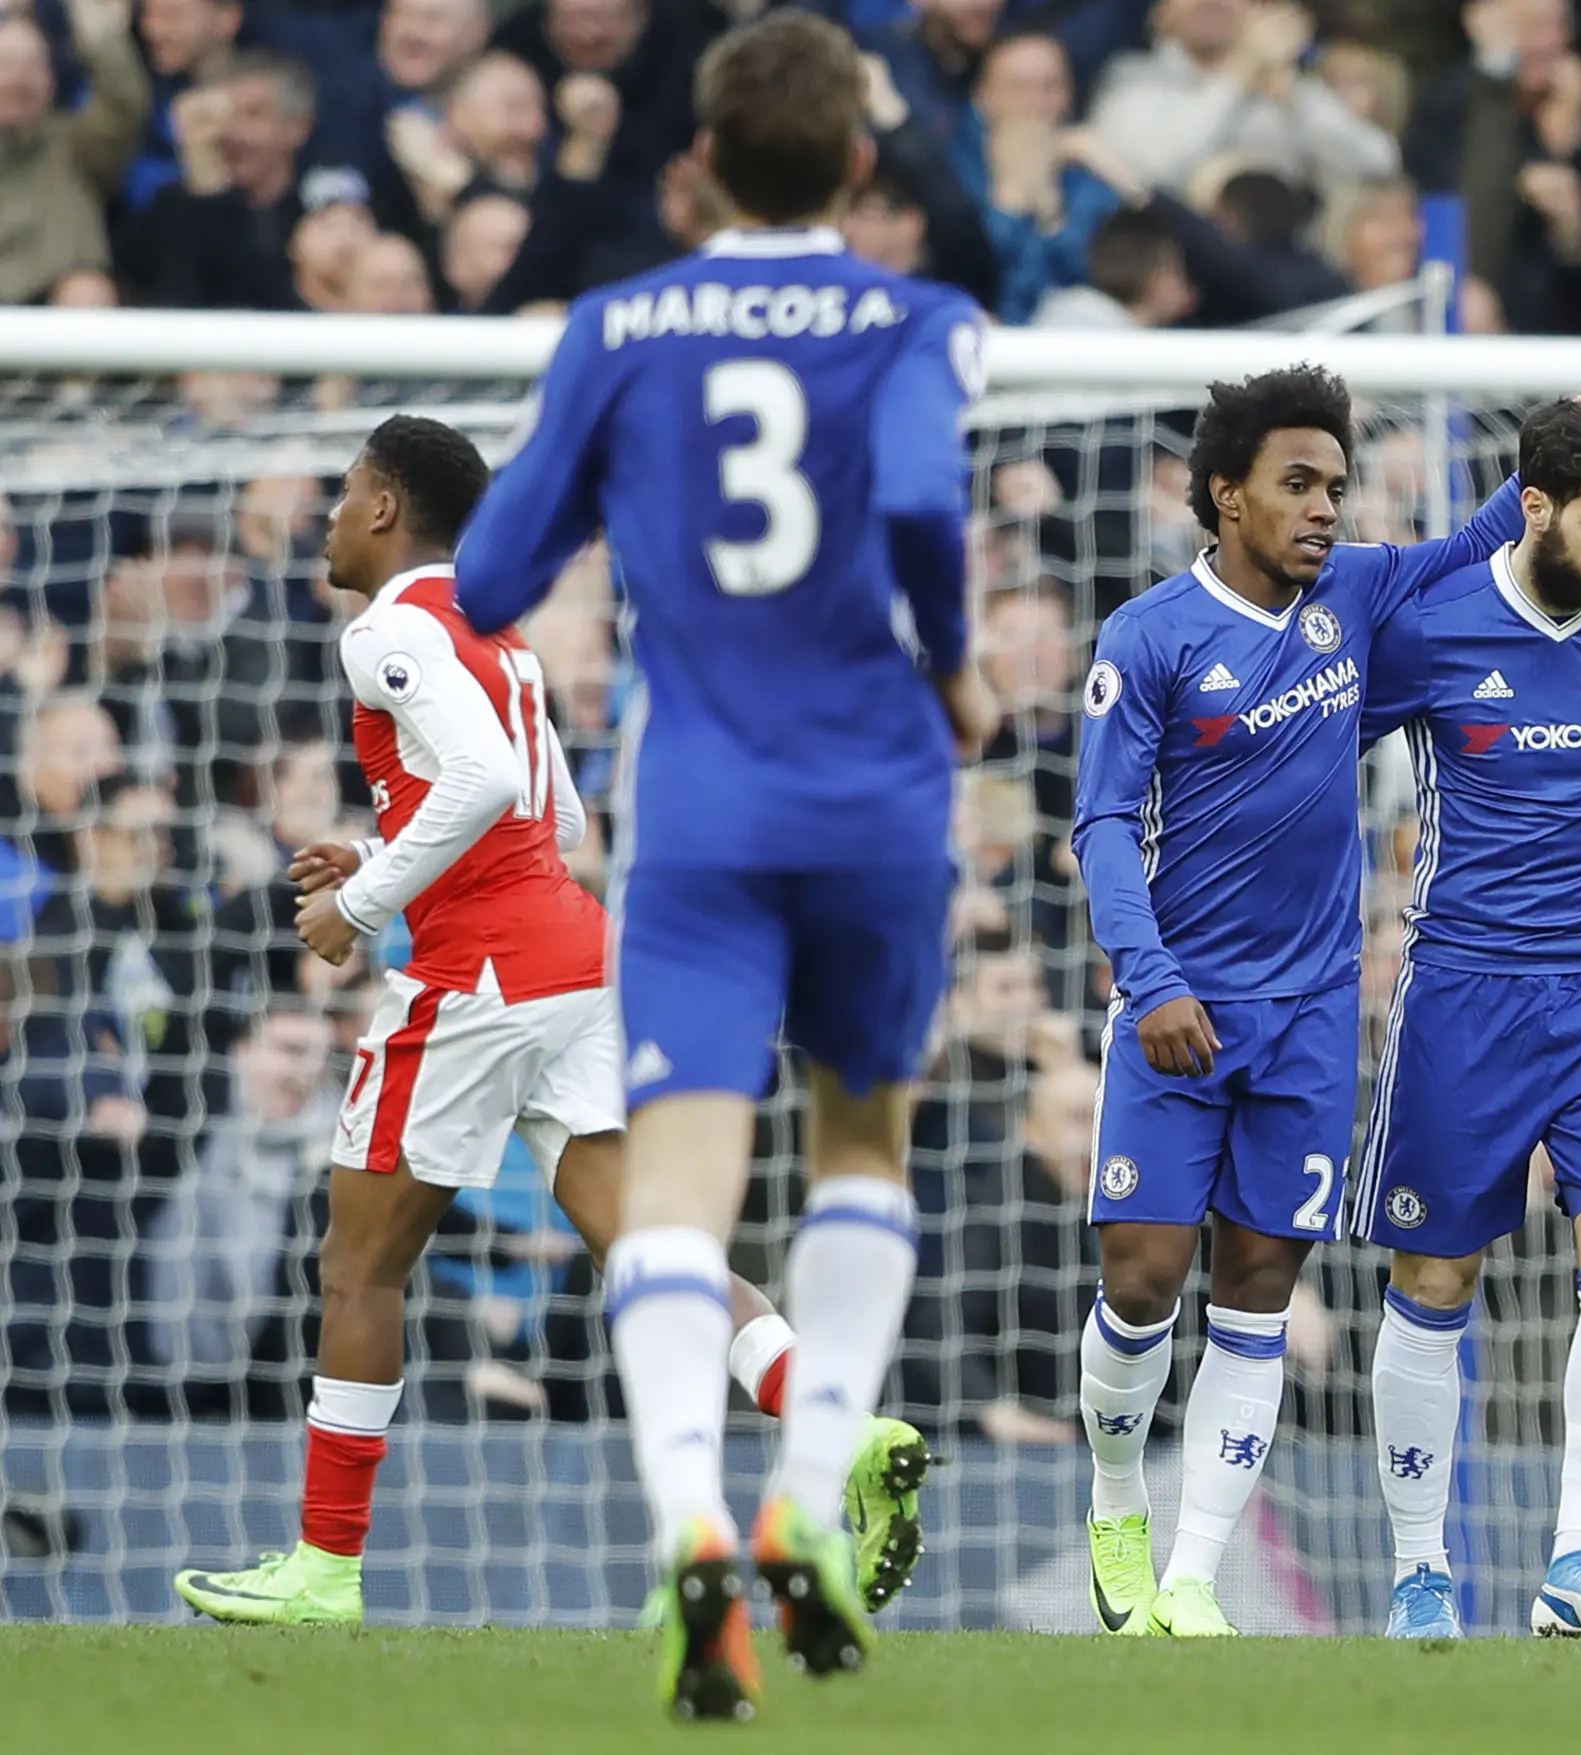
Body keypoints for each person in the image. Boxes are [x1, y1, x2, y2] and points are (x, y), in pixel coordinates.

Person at [451, 13, 987, 1719]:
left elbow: (488, 574)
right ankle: (804, 1512)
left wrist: (622, 484)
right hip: (877, 805)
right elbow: (913, 505)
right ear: (854, 164)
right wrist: (958, 662)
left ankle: (690, 1519)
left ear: (694, 164)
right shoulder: (921, 321)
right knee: (858, 1150)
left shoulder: (620, 327)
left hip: (698, 814)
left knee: (678, 1182)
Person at [170, 418, 916, 1632]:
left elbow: (491, 789)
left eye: (345, 493)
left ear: (385, 509)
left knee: (358, 1262)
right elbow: (555, 819)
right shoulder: (498, 633)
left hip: (480, 982)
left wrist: (359, 902)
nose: (323, 515)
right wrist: (387, 843)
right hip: (579, 960)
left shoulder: (389, 631)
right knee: (643, 1250)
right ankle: (848, 1420)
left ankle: (324, 1565)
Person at [1069, 365, 1529, 1639]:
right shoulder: (1149, 637)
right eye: (1298, 484)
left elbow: (1475, 545)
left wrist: (1549, 455)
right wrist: (1148, 977)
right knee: (1145, 1275)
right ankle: (1116, 1496)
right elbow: (1103, 823)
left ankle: (1194, 1577)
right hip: (1178, 1011)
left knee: (1261, 1283)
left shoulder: (1355, 595)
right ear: (1224, 497)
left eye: (1335, 485)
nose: (1326, 507)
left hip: (1316, 1016)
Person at [1353, 395, 1581, 1640]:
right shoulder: (1433, 625)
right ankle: (1420, 1573)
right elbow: (1311, 759)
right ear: (1533, 506)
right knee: (1435, 1274)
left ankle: (1579, 1560)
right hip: (1461, 998)